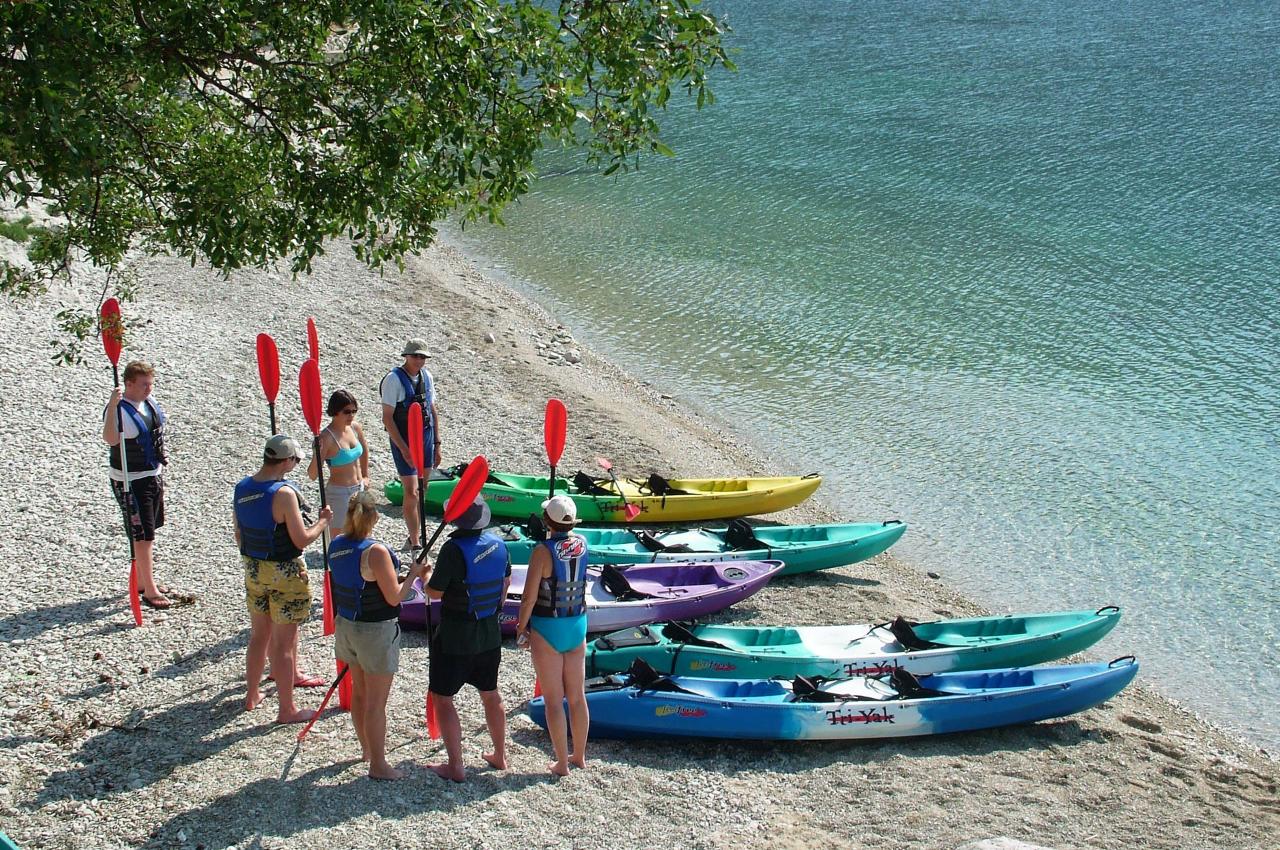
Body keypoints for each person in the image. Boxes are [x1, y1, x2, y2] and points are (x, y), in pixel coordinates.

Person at [329, 489, 427, 781]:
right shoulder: (377, 551)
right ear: (373, 519)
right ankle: (379, 765)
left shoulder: (335, 544)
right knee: (376, 703)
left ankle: (367, 750)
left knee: (359, 693)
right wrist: (415, 573)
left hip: (347, 625)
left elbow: (363, 581)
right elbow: (395, 597)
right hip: (375, 632)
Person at [234, 435, 332, 723]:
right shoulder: (284, 494)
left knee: (258, 636)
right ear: (287, 462)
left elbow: (239, 533)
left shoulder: (242, 487)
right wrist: (323, 522)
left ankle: (251, 694)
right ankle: (287, 710)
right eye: (296, 460)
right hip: (284, 572)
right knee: (283, 644)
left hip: (253, 568)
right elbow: (301, 537)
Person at [421, 496, 511, 782]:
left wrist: (424, 575)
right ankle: (500, 755)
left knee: (443, 698)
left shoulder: (452, 549)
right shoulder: (499, 544)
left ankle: (456, 765)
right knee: (490, 694)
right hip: (489, 634)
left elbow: (434, 593)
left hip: (455, 637)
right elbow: (505, 585)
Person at [514, 494, 589, 777]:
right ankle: (579, 755)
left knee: (554, 699)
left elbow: (529, 598)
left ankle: (561, 763)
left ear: (548, 521)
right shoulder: (583, 544)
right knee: (578, 697)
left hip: (548, 628)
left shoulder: (542, 552)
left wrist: (521, 628)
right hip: (577, 625)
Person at [102, 360, 172, 609]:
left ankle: (144, 580)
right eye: (144, 385)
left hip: (152, 474)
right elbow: (110, 439)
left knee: (150, 529)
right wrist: (112, 406)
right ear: (128, 384)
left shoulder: (148, 403)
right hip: (130, 481)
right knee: (143, 536)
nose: (148, 389)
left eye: (150, 384)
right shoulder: (119, 410)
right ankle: (150, 590)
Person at [380, 339, 440, 558]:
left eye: (422, 357)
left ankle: (416, 531)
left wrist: (437, 443)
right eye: (415, 356)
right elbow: (387, 418)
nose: (419, 360)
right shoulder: (393, 380)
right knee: (411, 490)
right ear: (406, 356)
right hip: (404, 438)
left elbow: (432, 409)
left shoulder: (427, 377)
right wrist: (404, 448)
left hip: (425, 436)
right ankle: (416, 541)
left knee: (423, 487)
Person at [307, 389, 370, 535]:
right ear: (335, 411)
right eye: (347, 412)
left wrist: (366, 475)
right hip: (339, 493)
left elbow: (365, 451)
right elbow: (312, 474)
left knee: (363, 532)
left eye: (354, 411)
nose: (351, 415)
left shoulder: (354, 428)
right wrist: (318, 452)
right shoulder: (326, 438)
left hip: (359, 488)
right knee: (339, 536)